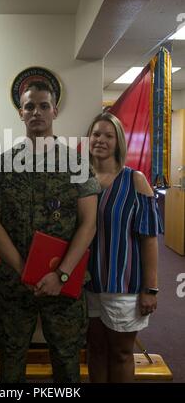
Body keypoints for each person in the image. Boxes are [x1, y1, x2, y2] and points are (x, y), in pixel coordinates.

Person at [0, 80, 100, 383]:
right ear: (21, 113)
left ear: (54, 111)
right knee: (10, 359)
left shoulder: (77, 162)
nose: (37, 111)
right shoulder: (1, 163)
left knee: (66, 358)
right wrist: (26, 272)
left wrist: (60, 274)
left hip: (64, 281)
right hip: (15, 281)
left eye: (43, 105)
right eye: (30, 106)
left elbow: (89, 224)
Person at [85, 112, 163, 383]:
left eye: (108, 135)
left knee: (120, 353)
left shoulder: (135, 180)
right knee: (94, 350)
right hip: (85, 285)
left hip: (124, 287)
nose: (101, 140)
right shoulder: (79, 179)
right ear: (89, 139)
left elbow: (149, 238)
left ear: (118, 142)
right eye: (96, 134)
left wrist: (150, 288)